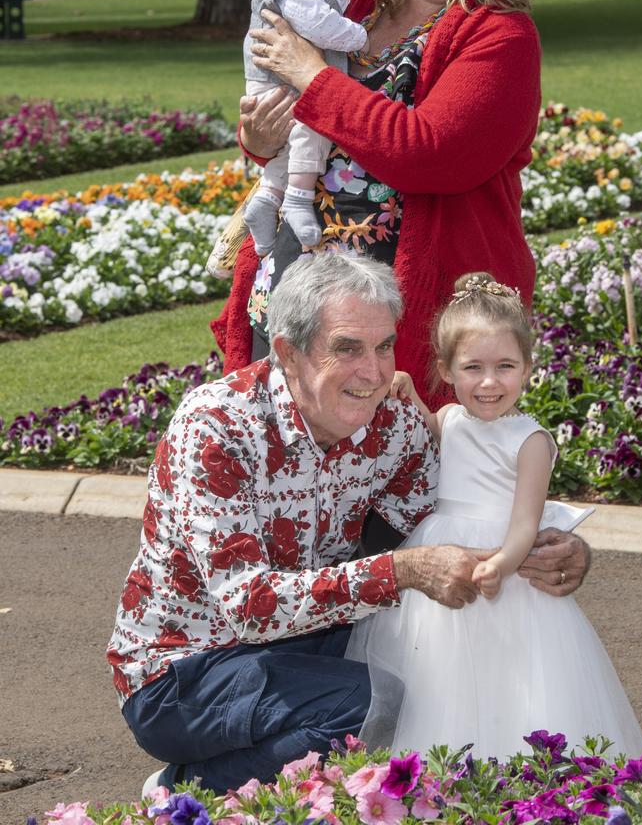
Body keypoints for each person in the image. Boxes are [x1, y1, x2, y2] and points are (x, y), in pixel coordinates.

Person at [109, 253, 590, 796]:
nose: (374, 371)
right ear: (289, 353)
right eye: (347, 348)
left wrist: (556, 547)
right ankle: (190, 788)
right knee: (372, 704)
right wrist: (402, 569)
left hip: (308, 643)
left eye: (384, 346)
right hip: (184, 669)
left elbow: (446, 522)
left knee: (428, 667)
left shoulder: (394, 420)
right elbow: (249, 607)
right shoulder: (216, 427)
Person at [210, 0, 554, 411]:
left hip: (400, 318)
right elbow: (284, 97)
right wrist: (259, 135)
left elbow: (429, 153)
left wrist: (311, 76)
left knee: (384, 492)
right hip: (296, 292)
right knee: (282, 477)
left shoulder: (501, 37)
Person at [347, 272, 642, 760]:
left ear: (528, 368)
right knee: (442, 674)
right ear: (446, 370)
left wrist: (501, 565)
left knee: (511, 677)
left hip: (502, 565)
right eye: (473, 367)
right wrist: (400, 385)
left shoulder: (530, 440)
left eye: (505, 366)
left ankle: (519, 773)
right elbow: (423, 427)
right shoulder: (448, 419)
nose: (489, 382)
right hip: (442, 549)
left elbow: (526, 523)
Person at [206, 0, 371, 277]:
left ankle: (267, 200)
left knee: (294, 145)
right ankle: (296, 199)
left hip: (281, 93)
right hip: (277, 90)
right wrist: (359, 37)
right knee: (314, 126)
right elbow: (322, 27)